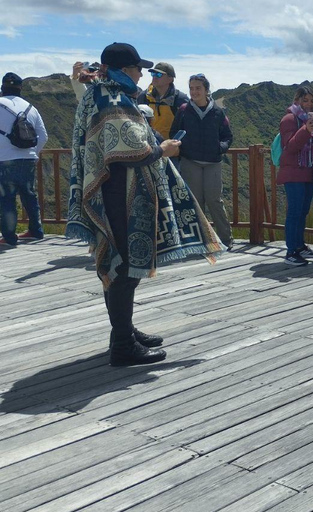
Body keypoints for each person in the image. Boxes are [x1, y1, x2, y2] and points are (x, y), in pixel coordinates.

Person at [66, 42, 221, 367]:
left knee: (119, 264)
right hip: (121, 192)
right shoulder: (113, 98)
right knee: (125, 267)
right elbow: (132, 149)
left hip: (112, 188)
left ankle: (124, 331)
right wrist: (163, 148)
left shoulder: (102, 91)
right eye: (138, 68)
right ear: (124, 69)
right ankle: (122, 345)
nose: (141, 74)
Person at [170, 73, 235, 250]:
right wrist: (182, 149)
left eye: (198, 88)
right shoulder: (184, 110)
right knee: (196, 201)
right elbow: (174, 133)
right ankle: (200, 240)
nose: (194, 91)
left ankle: (225, 239)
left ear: (206, 90)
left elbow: (228, 136)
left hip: (213, 162)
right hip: (190, 161)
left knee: (214, 200)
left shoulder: (217, 112)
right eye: (191, 88)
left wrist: (219, 148)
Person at [0, 72, 48, 247]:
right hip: (27, 159)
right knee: (29, 195)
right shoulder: (30, 108)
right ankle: (35, 231)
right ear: (20, 87)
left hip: (4, 160)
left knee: (6, 199)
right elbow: (43, 136)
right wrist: (33, 153)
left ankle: (9, 237)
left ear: (2, 87)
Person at [276, 85, 313, 266]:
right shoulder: (289, 119)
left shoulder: (307, 119)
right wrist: (306, 130)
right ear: (297, 100)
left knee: (303, 211)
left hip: (307, 171)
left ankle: (300, 246)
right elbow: (290, 146)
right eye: (305, 100)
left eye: (311, 101)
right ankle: (291, 251)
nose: (309, 104)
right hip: (293, 172)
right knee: (294, 212)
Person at [137, 62, 188, 140]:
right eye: (153, 74)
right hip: (149, 147)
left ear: (170, 79)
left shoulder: (180, 99)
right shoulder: (143, 97)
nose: (154, 77)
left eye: (159, 74)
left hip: (172, 148)